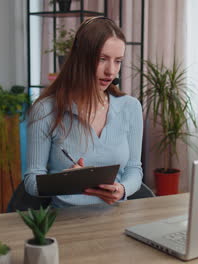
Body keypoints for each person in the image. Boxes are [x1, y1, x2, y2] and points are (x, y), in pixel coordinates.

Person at [24, 16, 143, 208]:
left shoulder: (131, 107)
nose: (111, 71)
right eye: (102, 59)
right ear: (80, 59)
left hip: (117, 220)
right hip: (66, 224)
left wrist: (123, 189)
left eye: (118, 61)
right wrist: (62, 181)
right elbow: (31, 181)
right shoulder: (45, 110)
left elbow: (134, 169)